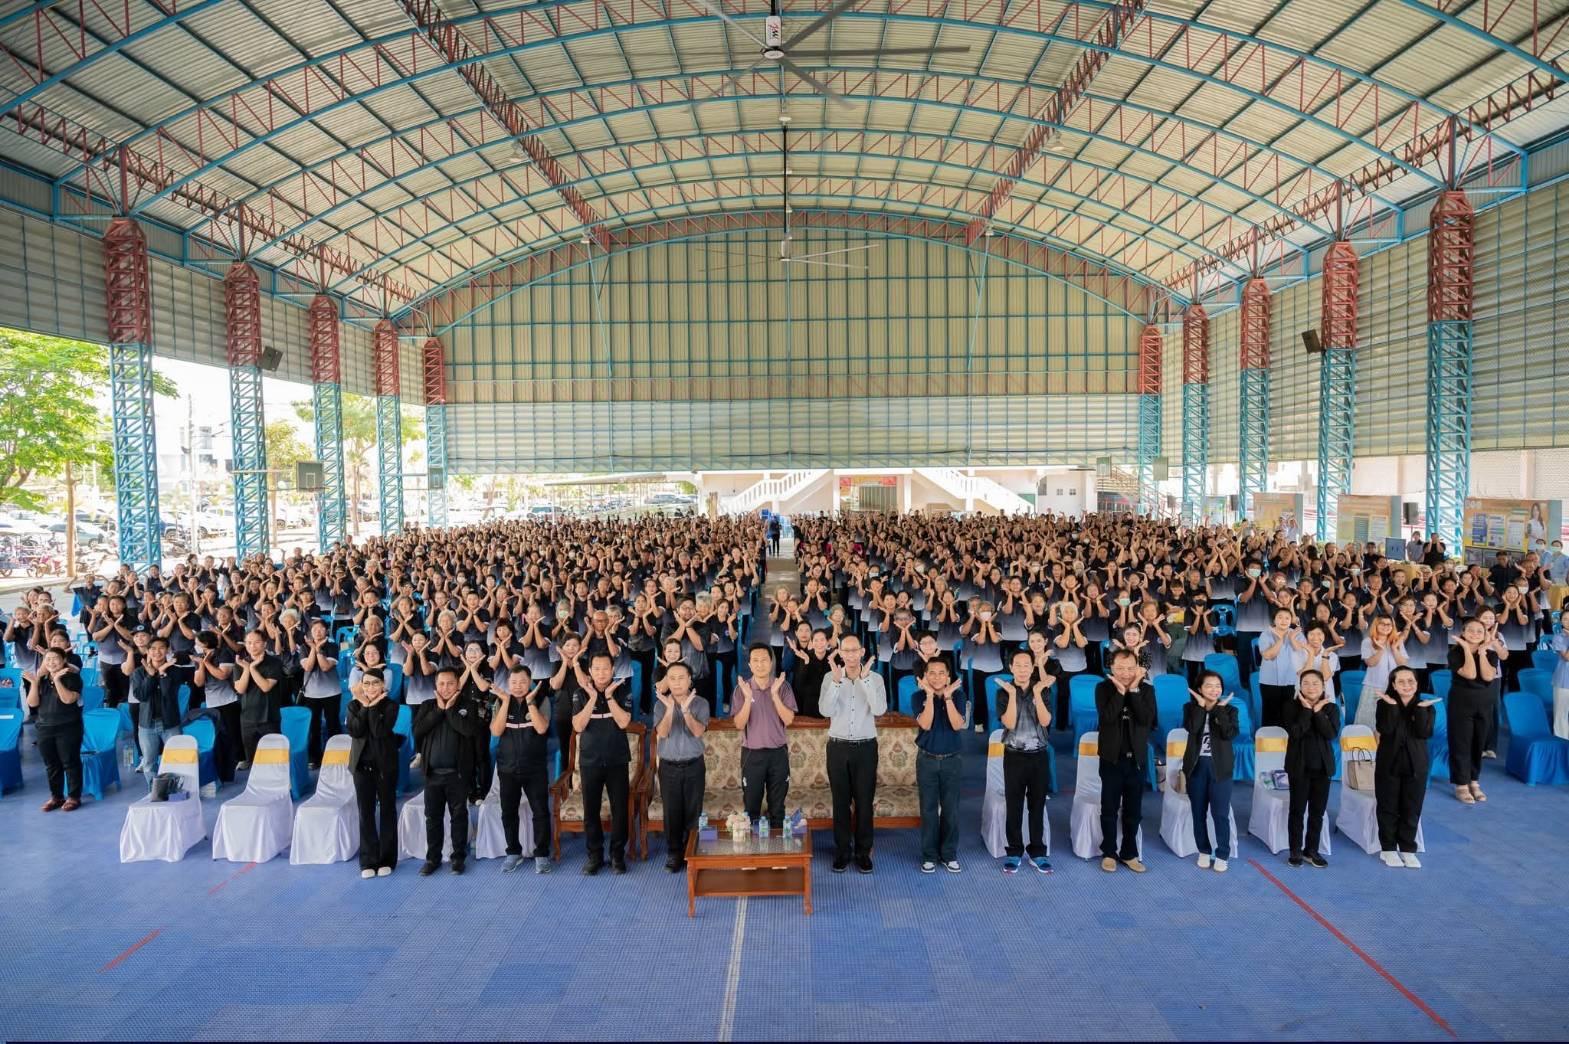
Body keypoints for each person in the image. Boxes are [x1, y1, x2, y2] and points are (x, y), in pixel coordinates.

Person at [820, 633, 886, 874]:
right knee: (840, 802)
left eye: (854, 650)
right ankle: (842, 851)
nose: (850, 655)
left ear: (862, 652)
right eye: (845, 651)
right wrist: (836, 684)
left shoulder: (875, 678)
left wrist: (865, 681)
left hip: (865, 747)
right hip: (837, 747)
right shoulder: (830, 677)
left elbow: (879, 709)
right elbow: (825, 710)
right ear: (839, 652)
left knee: (864, 802)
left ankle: (863, 852)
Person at [570, 651, 634, 875]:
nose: (601, 673)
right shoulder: (580, 693)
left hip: (617, 759)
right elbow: (578, 726)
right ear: (589, 671)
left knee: (620, 810)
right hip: (590, 761)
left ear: (613, 669)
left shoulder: (622, 690)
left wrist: (608, 697)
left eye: (605, 668)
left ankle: (617, 855)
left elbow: (624, 722)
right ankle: (594, 856)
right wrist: (592, 699)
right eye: (596, 669)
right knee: (591, 811)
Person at [413, 666, 481, 875]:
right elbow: (418, 730)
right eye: (441, 684)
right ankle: (432, 859)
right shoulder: (427, 705)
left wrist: (450, 709)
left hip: (457, 774)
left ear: (458, 684)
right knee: (432, 818)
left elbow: (468, 730)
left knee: (458, 817)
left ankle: (458, 858)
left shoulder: (468, 705)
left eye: (450, 683)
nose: (445, 688)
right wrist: (439, 710)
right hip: (432, 774)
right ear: (436, 685)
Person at [1095, 648, 1157, 873]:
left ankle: (1129, 853)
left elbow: (1146, 719)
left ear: (1137, 668)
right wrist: (1121, 693)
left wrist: (1134, 690)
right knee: (1109, 809)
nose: (1125, 672)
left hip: (1136, 760)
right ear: (1111, 668)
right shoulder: (1103, 688)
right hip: (1111, 759)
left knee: (1134, 811)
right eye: (1120, 668)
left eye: (1130, 668)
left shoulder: (1147, 690)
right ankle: (1109, 852)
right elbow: (1107, 718)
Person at [490, 665, 554, 875]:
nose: (518, 686)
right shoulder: (501, 701)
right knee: (508, 812)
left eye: (523, 682)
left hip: (534, 768)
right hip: (507, 768)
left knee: (540, 811)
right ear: (508, 683)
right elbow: (496, 731)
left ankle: (542, 853)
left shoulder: (542, 700)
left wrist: (530, 703)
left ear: (530, 682)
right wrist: (505, 703)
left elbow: (542, 728)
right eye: (514, 682)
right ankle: (513, 852)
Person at [996, 647, 1054, 874]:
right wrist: (1012, 695)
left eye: (1026, 665)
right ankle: (1014, 851)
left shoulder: (1043, 689)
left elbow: (1045, 721)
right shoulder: (1004, 692)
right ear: (1011, 667)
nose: (1022, 669)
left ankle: (1037, 852)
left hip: (1039, 755)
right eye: (1018, 665)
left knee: (1037, 804)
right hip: (1014, 755)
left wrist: (1038, 693)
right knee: (1014, 805)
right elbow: (1009, 723)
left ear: (1032, 668)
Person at [1374, 666, 1437, 868]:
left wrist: (1420, 711)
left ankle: (1408, 849)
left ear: (1417, 684)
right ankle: (1388, 849)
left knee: (1412, 807)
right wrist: (1392, 707)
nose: (1406, 685)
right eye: (1401, 681)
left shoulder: (1426, 706)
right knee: (1388, 807)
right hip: (1389, 763)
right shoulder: (1384, 704)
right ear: (1393, 685)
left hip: (1416, 764)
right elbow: (1385, 729)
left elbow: (1424, 733)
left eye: (1411, 681)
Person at [732, 642, 797, 833]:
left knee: (777, 808)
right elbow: (739, 724)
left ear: (771, 662)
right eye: (755, 660)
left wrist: (775, 695)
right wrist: (747, 698)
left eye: (764, 660)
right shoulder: (742, 689)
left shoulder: (783, 687)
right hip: (752, 755)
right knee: (751, 807)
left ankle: (778, 848)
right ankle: (751, 848)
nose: (760, 664)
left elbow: (789, 719)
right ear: (750, 665)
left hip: (778, 754)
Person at [911, 655, 967, 874]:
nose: (936, 677)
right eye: (931, 673)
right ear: (925, 676)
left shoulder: (959, 695)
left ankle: (949, 854)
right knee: (928, 810)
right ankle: (929, 856)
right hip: (927, 760)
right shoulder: (918, 697)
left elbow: (957, 724)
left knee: (951, 810)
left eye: (941, 673)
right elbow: (925, 724)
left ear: (948, 676)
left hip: (952, 760)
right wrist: (929, 695)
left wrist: (948, 697)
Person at [652, 660, 707, 872]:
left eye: (681, 678)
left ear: (689, 680)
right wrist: (669, 710)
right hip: (669, 767)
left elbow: (698, 732)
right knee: (672, 812)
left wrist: (685, 711)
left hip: (694, 765)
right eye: (672, 678)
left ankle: (692, 851)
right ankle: (674, 853)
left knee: (694, 811)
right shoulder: (660, 704)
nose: (676, 682)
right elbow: (663, 732)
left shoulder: (700, 703)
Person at [346, 669, 401, 878]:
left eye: (375, 683)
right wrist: (365, 706)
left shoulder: (391, 706)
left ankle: (387, 859)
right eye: (366, 683)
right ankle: (368, 860)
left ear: (383, 685)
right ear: (361, 685)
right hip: (361, 767)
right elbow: (355, 730)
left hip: (385, 766)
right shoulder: (353, 706)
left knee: (387, 810)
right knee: (365, 812)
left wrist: (373, 706)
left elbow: (379, 731)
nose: (370, 687)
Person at [1181, 670, 1238, 871]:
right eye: (1209, 686)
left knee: (1220, 814)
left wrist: (1219, 710)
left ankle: (1222, 853)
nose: (1214, 690)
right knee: (1198, 813)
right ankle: (1203, 850)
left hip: (1220, 768)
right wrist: (1200, 707)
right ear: (1199, 688)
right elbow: (1193, 728)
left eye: (1217, 686)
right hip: (1197, 767)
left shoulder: (1230, 710)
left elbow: (1229, 733)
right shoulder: (1190, 708)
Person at [1283, 670, 1340, 868]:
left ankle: (1311, 850)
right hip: (1299, 767)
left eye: (1315, 683)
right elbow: (1296, 732)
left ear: (1323, 686)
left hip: (1322, 768)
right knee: (1297, 811)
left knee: (1317, 812)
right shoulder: (1291, 707)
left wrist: (1317, 712)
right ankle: (1295, 850)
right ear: (1300, 686)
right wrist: (1307, 711)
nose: (1311, 687)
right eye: (1306, 683)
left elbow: (1330, 733)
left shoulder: (1331, 708)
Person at [1447, 616, 1498, 805]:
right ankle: (1461, 784)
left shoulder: (1490, 654)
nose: (1475, 634)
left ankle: (1474, 781)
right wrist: (1468, 650)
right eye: (1471, 630)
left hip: (1484, 704)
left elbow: (1487, 676)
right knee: (1461, 744)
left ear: (1485, 634)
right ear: (1463, 633)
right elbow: (1470, 674)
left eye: (1480, 631)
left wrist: (1482, 652)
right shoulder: (1455, 653)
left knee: (1478, 744)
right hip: (1461, 704)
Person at [124, 636, 188, 781]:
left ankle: (174, 790)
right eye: (153, 649)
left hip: (170, 722)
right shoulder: (139, 672)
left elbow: (168, 694)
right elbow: (141, 695)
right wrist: (151, 676)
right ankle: (154, 790)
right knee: (149, 763)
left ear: (167, 650)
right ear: (147, 651)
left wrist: (163, 673)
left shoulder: (176, 671)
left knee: (176, 760)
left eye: (161, 648)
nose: (157, 652)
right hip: (147, 724)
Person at [28, 647, 84, 812]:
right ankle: (56, 797)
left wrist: (57, 680)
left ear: (64, 660)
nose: (51, 662)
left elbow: (68, 699)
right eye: (48, 659)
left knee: (70, 762)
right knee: (51, 764)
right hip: (44, 727)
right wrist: (34, 683)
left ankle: (74, 797)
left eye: (55, 658)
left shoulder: (73, 678)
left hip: (68, 727)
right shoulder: (42, 680)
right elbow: (32, 703)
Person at [233, 629, 284, 768]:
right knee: (253, 759)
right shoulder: (241, 664)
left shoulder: (274, 662)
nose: (252, 646)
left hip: (269, 716)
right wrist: (246, 669)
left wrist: (252, 669)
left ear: (264, 644)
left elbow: (266, 686)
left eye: (256, 642)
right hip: (247, 717)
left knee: (273, 758)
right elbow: (240, 689)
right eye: (249, 643)